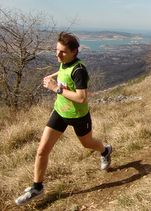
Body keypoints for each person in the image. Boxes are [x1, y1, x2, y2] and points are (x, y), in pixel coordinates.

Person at [15, 32, 112, 205]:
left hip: (78, 116)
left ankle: (105, 150)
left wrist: (55, 88)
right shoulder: (64, 62)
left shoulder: (79, 70)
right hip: (59, 112)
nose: (58, 55)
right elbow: (63, 70)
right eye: (56, 50)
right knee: (42, 150)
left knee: (87, 143)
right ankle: (37, 187)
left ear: (74, 52)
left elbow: (82, 98)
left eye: (63, 52)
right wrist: (53, 77)